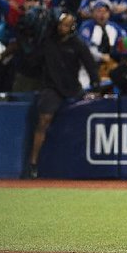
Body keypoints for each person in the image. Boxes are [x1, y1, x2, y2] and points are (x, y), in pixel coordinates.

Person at [28, 12, 99, 179]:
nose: (62, 28)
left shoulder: (77, 44)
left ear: (72, 27)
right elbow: (33, 61)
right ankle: (33, 164)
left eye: (66, 25)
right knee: (43, 120)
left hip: (73, 88)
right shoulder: (48, 42)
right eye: (61, 24)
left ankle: (88, 164)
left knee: (89, 115)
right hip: (52, 87)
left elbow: (90, 64)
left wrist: (96, 85)